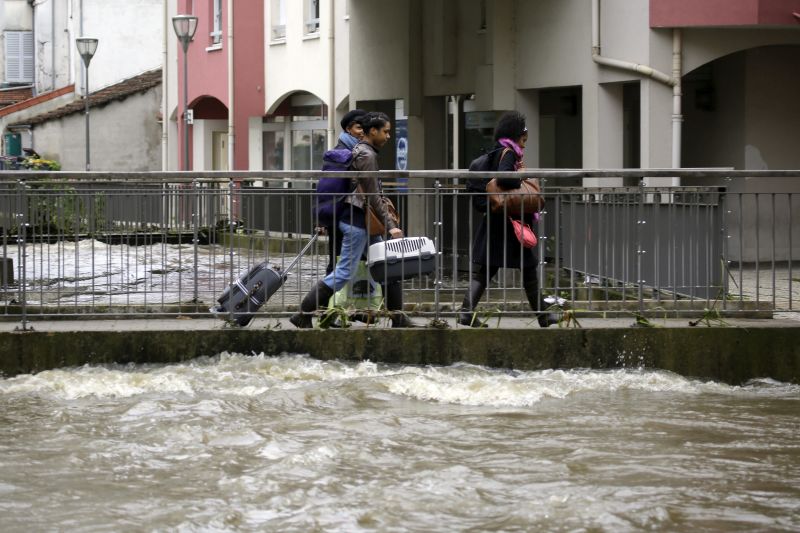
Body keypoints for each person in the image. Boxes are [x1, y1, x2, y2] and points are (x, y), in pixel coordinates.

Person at [291, 111, 413, 328]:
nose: (387, 136)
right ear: (372, 131)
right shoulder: (367, 155)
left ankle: (398, 318)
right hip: (357, 222)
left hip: (360, 221)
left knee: (387, 266)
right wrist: (392, 227)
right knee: (345, 271)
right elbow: (373, 196)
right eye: (385, 132)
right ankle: (303, 312)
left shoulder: (360, 151)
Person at [458, 111, 558, 328]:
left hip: (497, 221)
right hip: (510, 224)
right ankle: (542, 316)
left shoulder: (497, 151)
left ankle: (466, 312)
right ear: (516, 134)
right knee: (528, 267)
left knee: (487, 269)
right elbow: (505, 178)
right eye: (524, 132)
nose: (526, 136)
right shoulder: (509, 153)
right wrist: (521, 175)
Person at [322, 108, 368, 275]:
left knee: (346, 260)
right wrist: (322, 220)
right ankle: (326, 297)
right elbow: (327, 188)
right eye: (359, 127)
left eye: (365, 127)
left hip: (356, 214)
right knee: (338, 259)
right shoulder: (340, 153)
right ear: (349, 129)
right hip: (342, 215)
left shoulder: (361, 151)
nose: (362, 132)